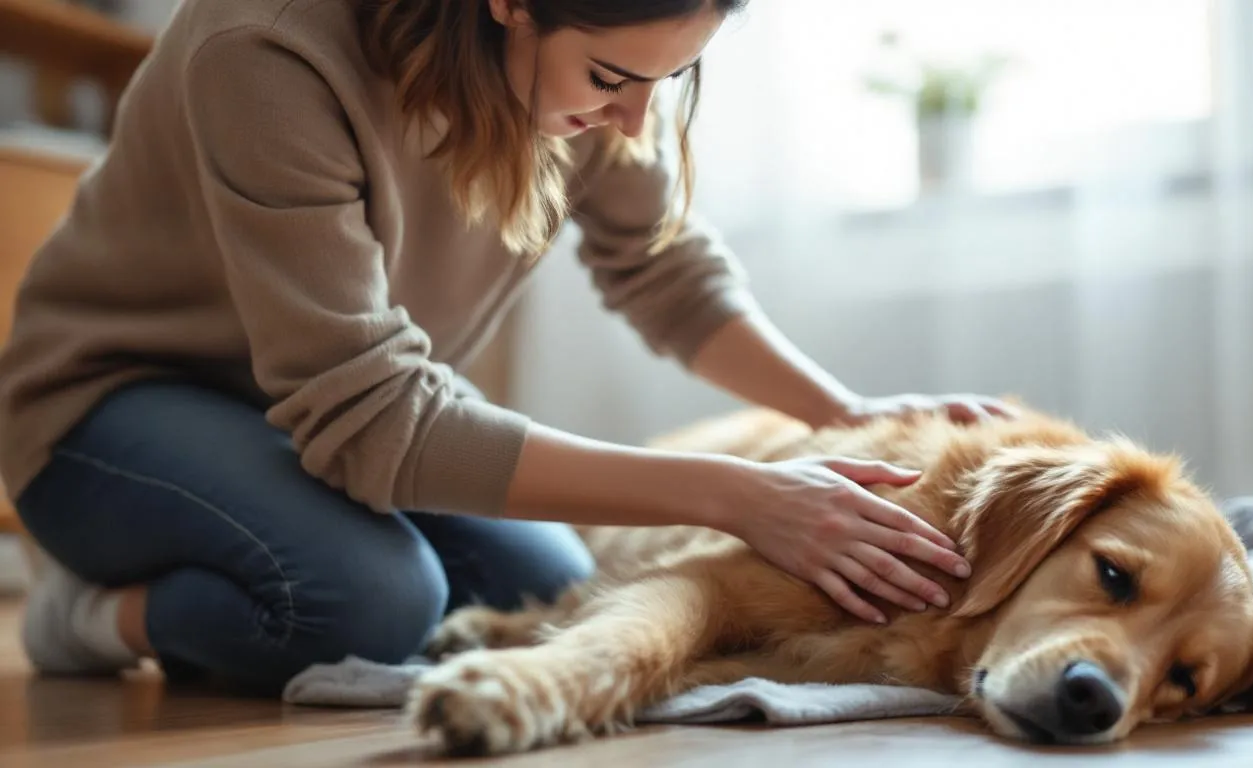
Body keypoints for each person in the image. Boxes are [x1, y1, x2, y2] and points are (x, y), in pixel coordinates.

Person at [0, 0, 1014, 696]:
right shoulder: (268, 47)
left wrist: (849, 415)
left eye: (672, 77)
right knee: (371, 602)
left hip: (304, 425)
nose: (634, 119)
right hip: (106, 409)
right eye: (613, 77)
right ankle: (88, 617)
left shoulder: (608, 73)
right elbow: (372, 414)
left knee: (546, 591)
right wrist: (737, 493)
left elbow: (665, 272)